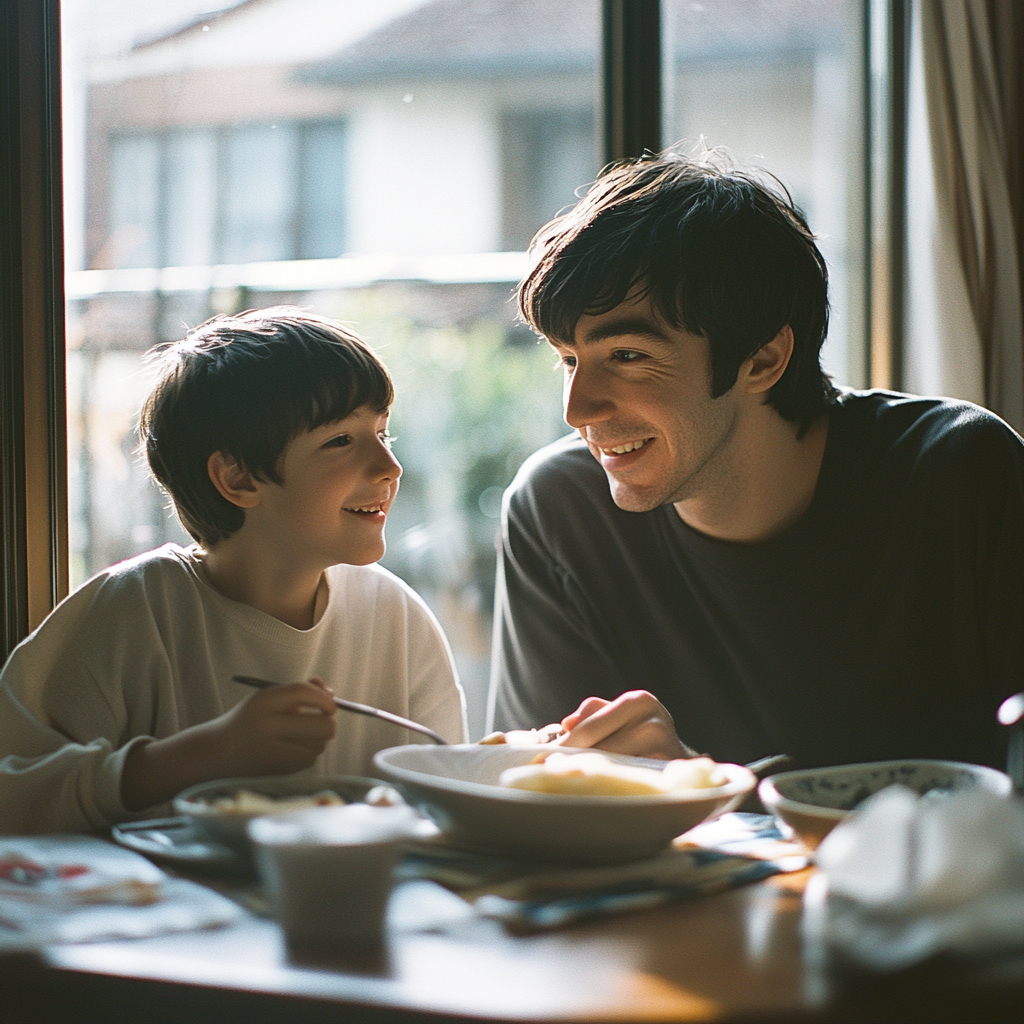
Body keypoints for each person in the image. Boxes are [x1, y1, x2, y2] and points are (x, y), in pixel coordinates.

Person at [487, 153, 1023, 772]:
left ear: (764, 359)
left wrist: (696, 787)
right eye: (569, 360)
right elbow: (539, 793)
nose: (577, 410)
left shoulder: (957, 473)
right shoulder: (560, 512)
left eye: (628, 356)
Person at [0, 308, 466, 834]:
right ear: (237, 478)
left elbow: (443, 792)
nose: (390, 467)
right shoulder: (130, 611)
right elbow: (14, 795)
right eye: (341, 441)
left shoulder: (395, 617)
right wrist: (201, 756)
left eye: (384, 434)